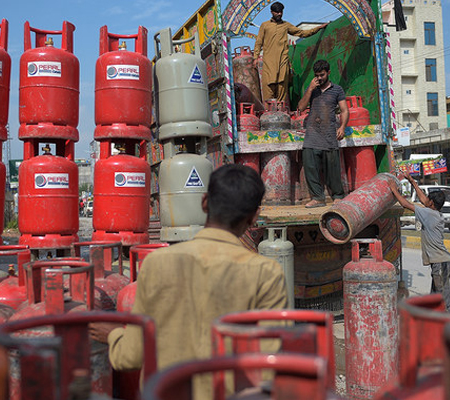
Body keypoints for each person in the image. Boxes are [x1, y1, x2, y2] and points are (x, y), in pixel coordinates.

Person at [90, 164, 287, 398]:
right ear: (254, 217)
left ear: (205, 202)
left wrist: (112, 335)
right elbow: (270, 366)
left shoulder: (156, 264)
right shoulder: (267, 273)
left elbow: (129, 357)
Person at [388, 170, 450, 313]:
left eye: (428, 200)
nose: (425, 201)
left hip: (440, 264)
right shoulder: (434, 212)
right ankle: (434, 327)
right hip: (441, 263)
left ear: (431, 203)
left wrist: (394, 190)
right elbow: (424, 200)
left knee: (444, 300)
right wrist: (412, 181)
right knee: (434, 299)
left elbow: (406, 204)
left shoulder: (428, 213)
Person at [297, 59, 348, 208]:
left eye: (322, 75)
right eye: (317, 75)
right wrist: (310, 89)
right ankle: (318, 198)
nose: (319, 78)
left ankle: (338, 196)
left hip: (329, 135)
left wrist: (343, 127)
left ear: (328, 73)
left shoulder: (337, 90)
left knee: (332, 169)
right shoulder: (312, 89)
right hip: (312, 135)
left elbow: (344, 110)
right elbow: (301, 107)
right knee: (310, 167)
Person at [253, 2, 327, 103]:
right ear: (272, 12)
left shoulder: (286, 25)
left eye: (281, 12)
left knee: (282, 85)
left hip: (283, 61)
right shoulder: (265, 25)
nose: (279, 14)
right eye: (277, 12)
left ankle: (282, 111)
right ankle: (269, 112)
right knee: (269, 86)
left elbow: (301, 33)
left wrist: (317, 28)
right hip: (269, 62)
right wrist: (255, 57)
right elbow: (259, 42)